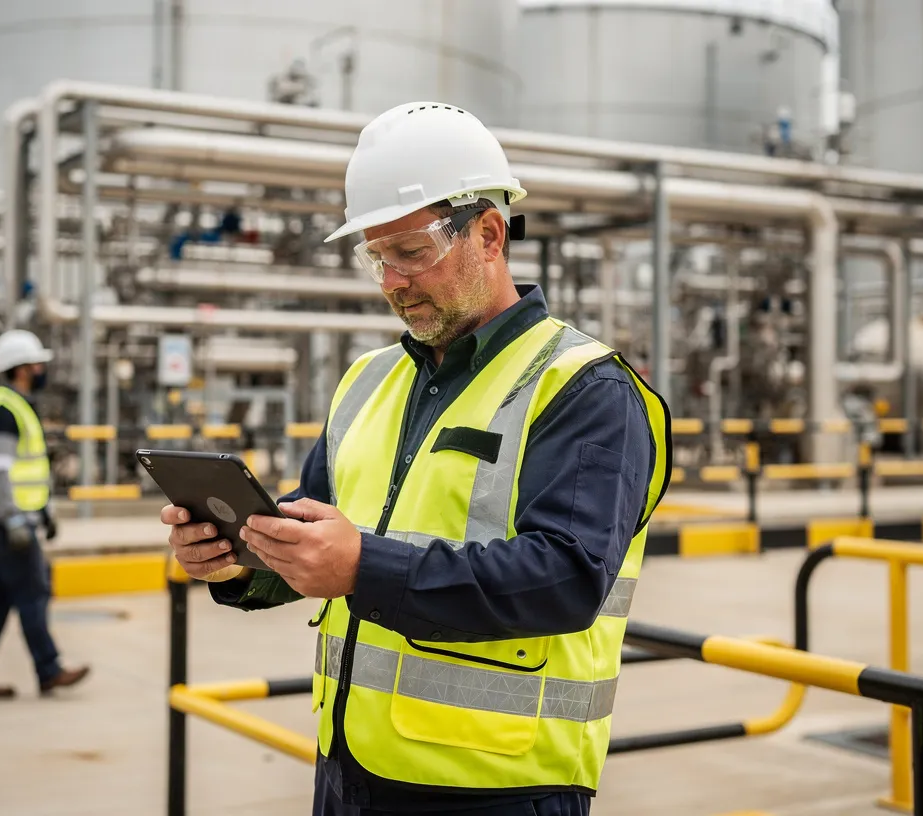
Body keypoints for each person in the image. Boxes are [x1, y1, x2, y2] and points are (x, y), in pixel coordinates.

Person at [162, 102, 669, 814]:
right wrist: (239, 557)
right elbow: (314, 533)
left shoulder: (583, 387)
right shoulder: (368, 382)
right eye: (377, 256)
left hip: (498, 789)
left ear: (489, 233)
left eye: (411, 252)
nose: (392, 281)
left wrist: (364, 567)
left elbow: (566, 577)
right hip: (348, 771)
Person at [0, 329, 90, 700]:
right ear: (22, 369)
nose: (43, 368)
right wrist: (15, 517)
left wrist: (44, 510)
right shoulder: (3, 412)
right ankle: (49, 670)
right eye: (37, 362)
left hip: (12, 519)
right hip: (6, 522)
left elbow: (28, 470)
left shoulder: (18, 405)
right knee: (33, 592)